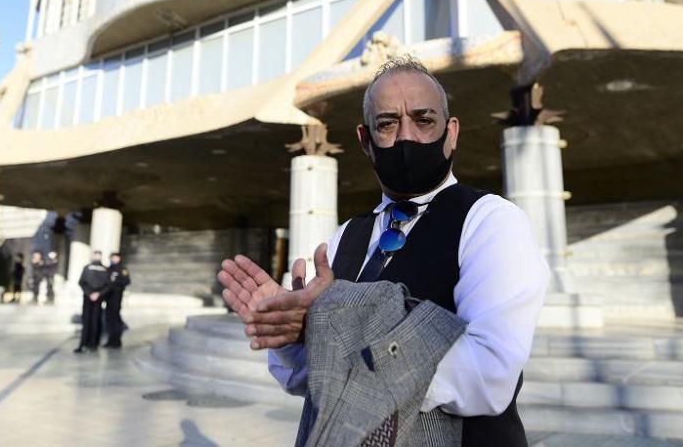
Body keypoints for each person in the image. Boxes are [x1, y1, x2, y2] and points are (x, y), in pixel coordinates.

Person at [218, 56, 549, 446]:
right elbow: (304, 378)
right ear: (366, 141)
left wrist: (338, 324)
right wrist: (291, 333)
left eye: (424, 120)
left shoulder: (490, 221)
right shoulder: (344, 238)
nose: (406, 137)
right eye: (388, 124)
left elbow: (490, 374)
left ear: (451, 132)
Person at [74, 251, 109, 353]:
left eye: (99, 256)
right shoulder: (87, 268)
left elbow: (108, 285)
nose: (97, 257)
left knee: (95, 321)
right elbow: (82, 282)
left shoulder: (105, 269)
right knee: (86, 321)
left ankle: (93, 344)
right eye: (95, 255)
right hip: (88, 298)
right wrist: (89, 293)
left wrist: (98, 294)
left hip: (98, 298)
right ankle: (83, 343)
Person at [103, 252, 131, 348]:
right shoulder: (108, 269)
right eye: (112, 258)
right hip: (108, 297)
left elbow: (127, 281)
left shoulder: (122, 269)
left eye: (116, 258)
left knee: (115, 319)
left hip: (117, 297)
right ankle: (110, 340)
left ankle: (116, 341)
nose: (114, 259)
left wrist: (115, 280)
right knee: (108, 319)